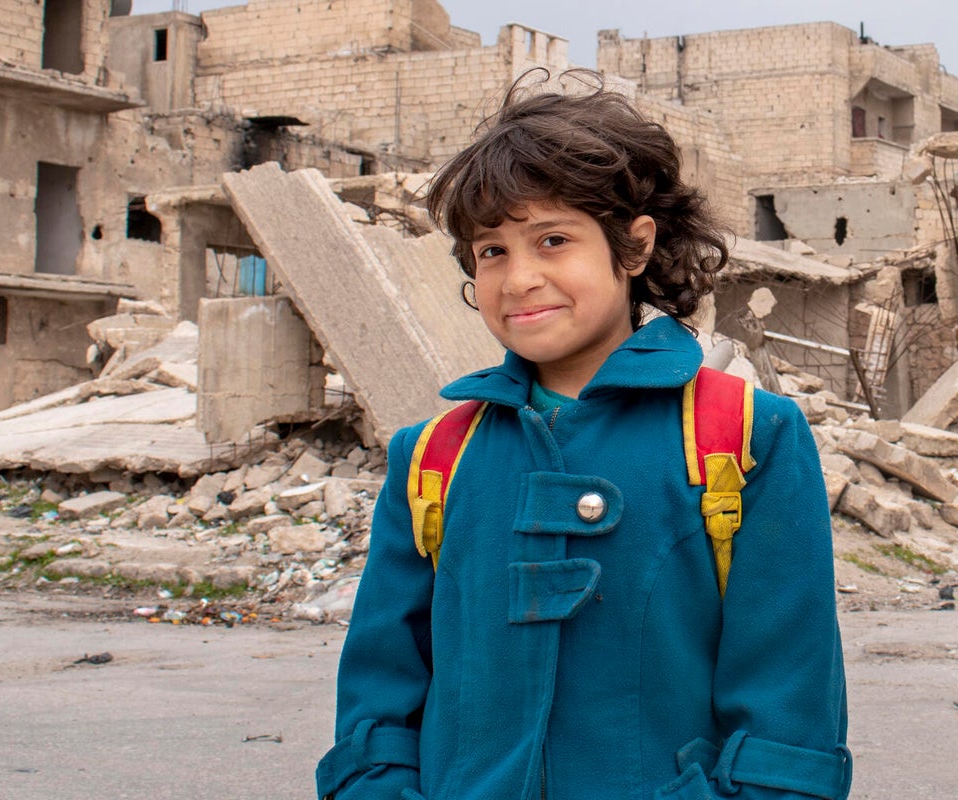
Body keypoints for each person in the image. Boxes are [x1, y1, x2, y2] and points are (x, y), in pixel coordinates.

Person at [316, 69, 849, 800]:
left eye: (553, 239)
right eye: (492, 250)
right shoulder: (434, 457)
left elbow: (787, 722)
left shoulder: (747, 436)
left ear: (633, 247)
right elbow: (380, 700)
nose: (519, 277)